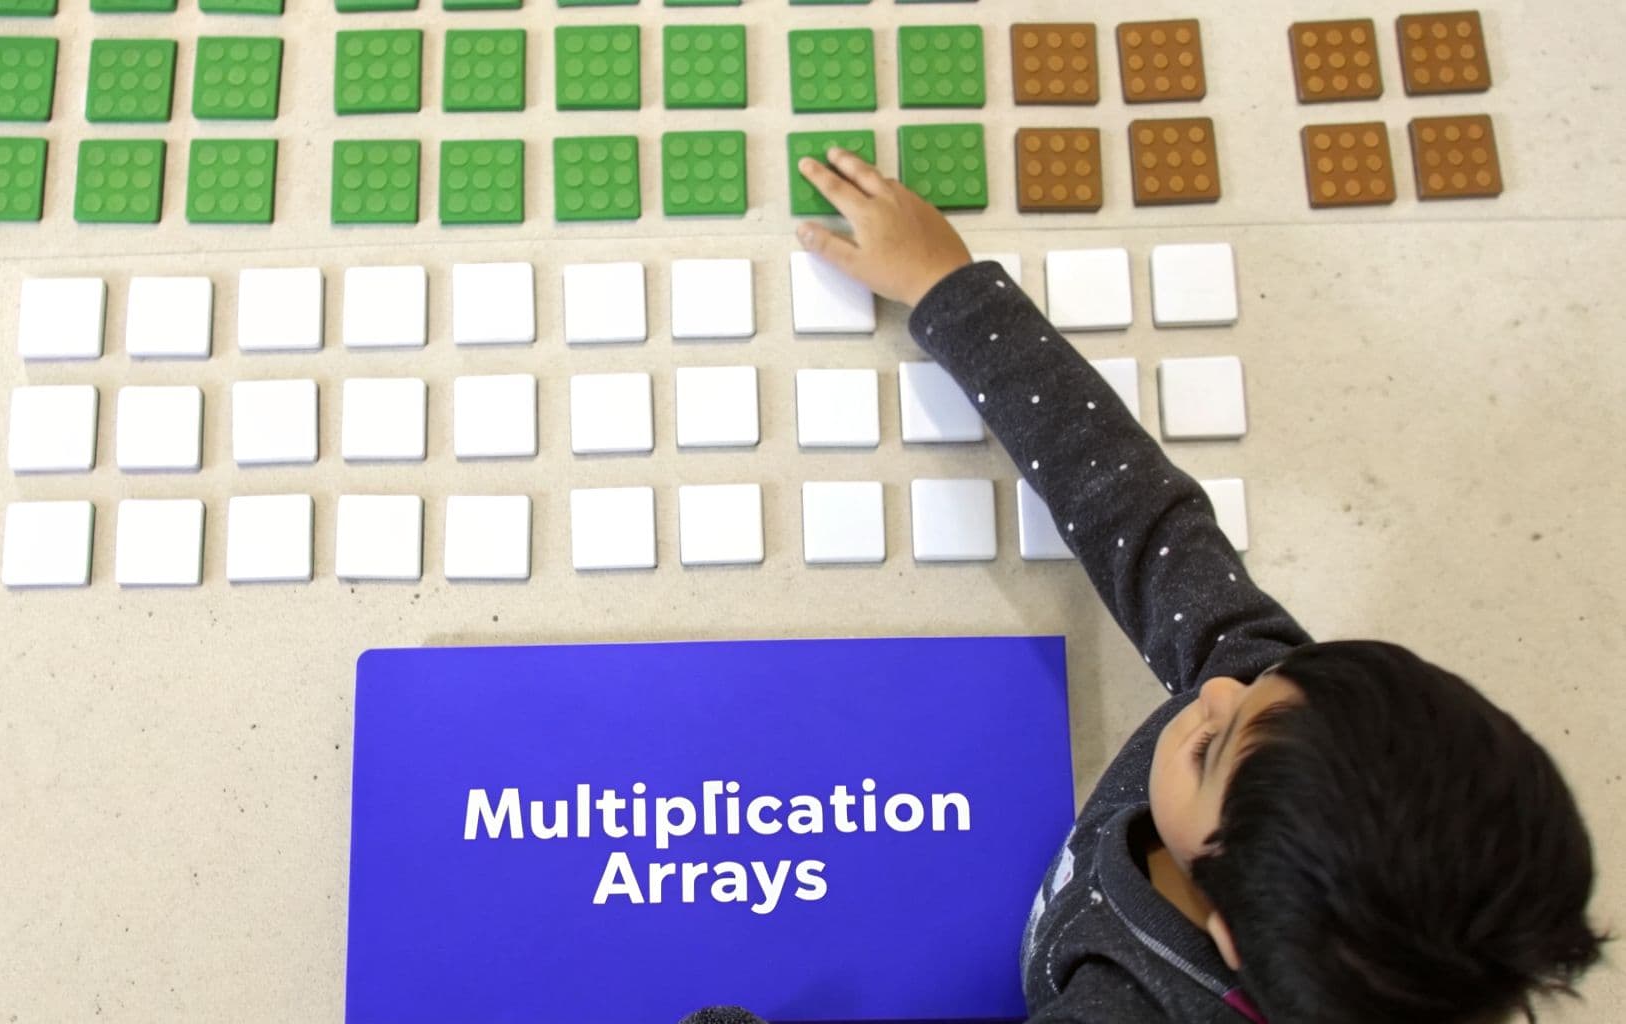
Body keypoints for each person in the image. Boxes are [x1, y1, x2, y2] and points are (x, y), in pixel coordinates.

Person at [682, 152, 1606, 1024]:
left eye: (1208, 747)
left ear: (1227, 939)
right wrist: (948, 288)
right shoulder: (1265, 705)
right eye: (1281, 678)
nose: (1218, 685)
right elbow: (1136, 511)